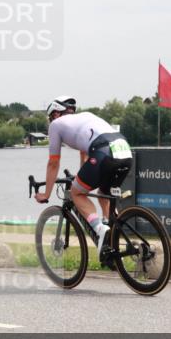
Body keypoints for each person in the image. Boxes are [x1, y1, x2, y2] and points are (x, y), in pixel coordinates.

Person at [33, 95, 133, 254]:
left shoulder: (56, 125)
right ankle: (113, 244)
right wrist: (81, 178)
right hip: (124, 151)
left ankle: (100, 229)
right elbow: (84, 155)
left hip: (104, 152)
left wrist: (46, 194)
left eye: (51, 117)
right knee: (103, 194)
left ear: (56, 113)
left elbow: (53, 163)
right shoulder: (86, 117)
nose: (51, 121)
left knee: (76, 193)